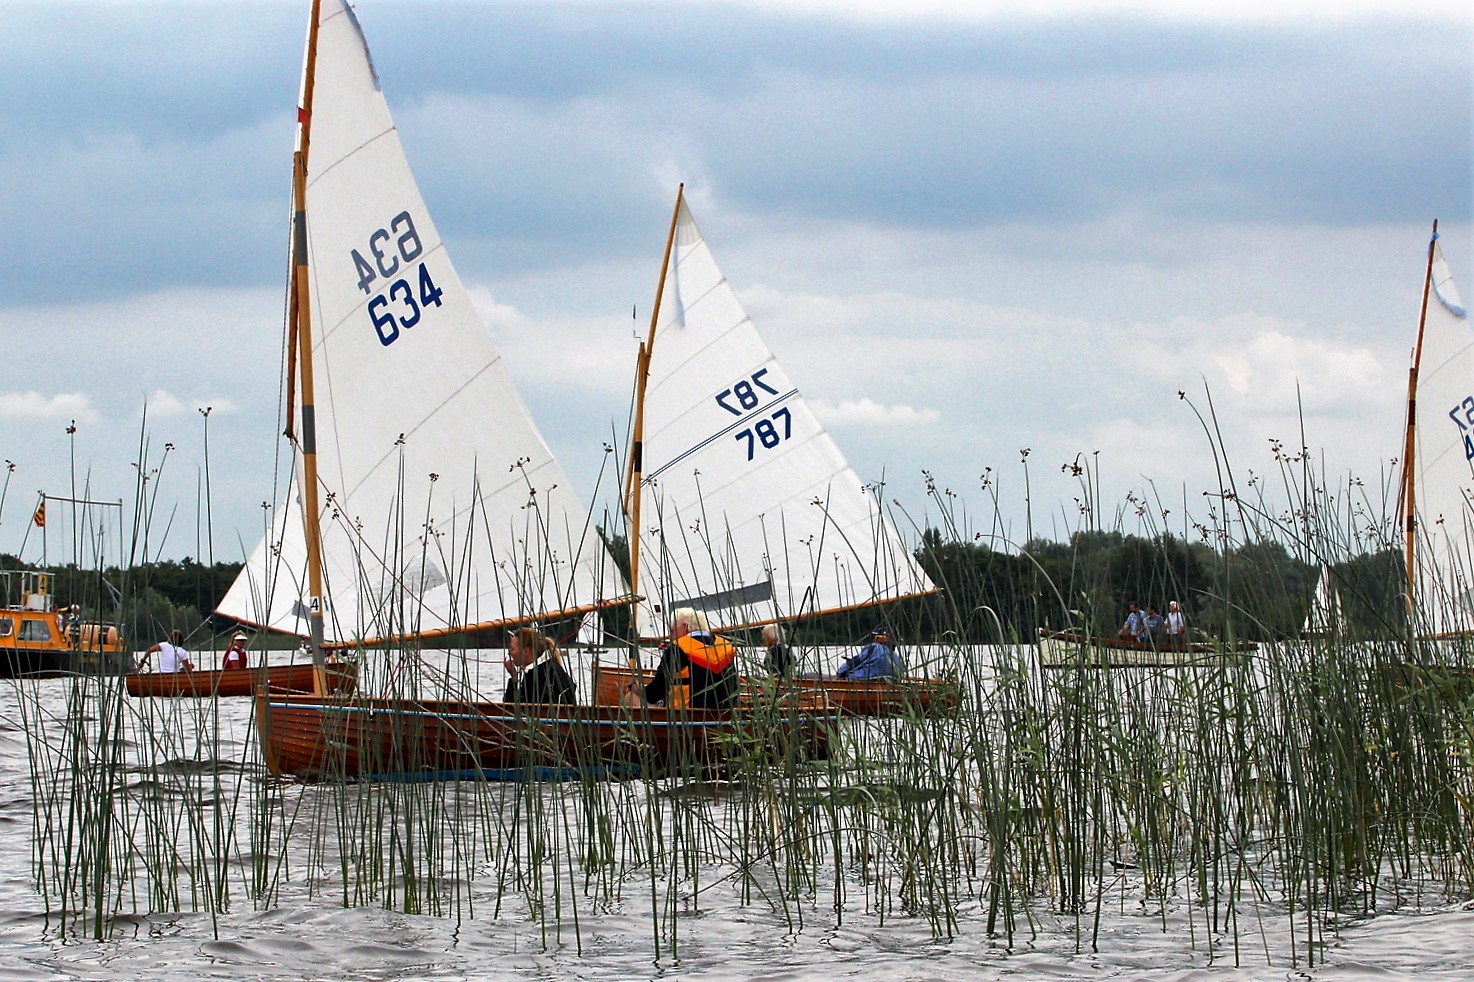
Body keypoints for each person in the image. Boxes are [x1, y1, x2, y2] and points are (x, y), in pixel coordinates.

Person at [625, 607, 738, 710]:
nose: (671, 636)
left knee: (630, 697)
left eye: (672, 631)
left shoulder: (678, 648)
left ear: (685, 627)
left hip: (688, 716)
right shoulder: (726, 646)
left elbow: (655, 693)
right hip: (725, 714)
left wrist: (637, 689)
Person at [502, 626, 577, 704]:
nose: (509, 653)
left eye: (512, 649)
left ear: (525, 651)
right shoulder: (552, 668)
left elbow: (512, 709)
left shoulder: (536, 676)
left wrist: (514, 679)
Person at [836, 627, 903, 680]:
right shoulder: (898, 657)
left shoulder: (874, 647)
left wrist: (841, 672)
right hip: (888, 683)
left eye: (876, 637)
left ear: (884, 638)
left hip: (866, 680)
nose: (874, 640)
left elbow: (856, 661)